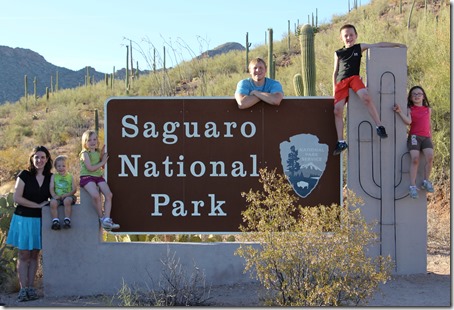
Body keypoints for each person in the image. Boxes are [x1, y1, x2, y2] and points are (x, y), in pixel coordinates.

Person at [332, 24, 406, 155]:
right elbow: (335, 71)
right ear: (341, 38)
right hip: (341, 82)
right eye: (346, 35)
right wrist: (334, 88)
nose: (349, 37)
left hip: (354, 78)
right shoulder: (338, 53)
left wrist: (397, 45)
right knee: (337, 111)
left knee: (365, 97)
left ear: (356, 36)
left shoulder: (359, 47)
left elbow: (378, 45)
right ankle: (341, 141)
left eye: (351, 35)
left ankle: (379, 126)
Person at [6, 146, 53, 302]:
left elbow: (55, 195)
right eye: (36, 157)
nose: (39, 160)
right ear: (32, 159)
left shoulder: (50, 177)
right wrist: (38, 206)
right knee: (24, 254)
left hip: (40, 220)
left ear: (47, 159)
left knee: (34, 254)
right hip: (24, 219)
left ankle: (32, 288)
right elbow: (17, 198)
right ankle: (23, 289)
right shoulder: (24, 175)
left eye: (42, 157)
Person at [393, 86, 434, 199]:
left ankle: (426, 181)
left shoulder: (428, 109)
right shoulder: (410, 109)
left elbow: (428, 124)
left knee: (430, 157)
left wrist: (431, 137)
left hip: (426, 137)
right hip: (414, 136)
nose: (417, 96)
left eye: (419, 94)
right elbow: (408, 121)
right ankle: (412, 186)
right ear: (410, 97)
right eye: (414, 94)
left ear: (423, 96)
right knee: (415, 159)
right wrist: (400, 112)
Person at [79, 130, 119, 231]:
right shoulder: (84, 153)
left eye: (94, 139)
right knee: (96, 195)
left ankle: (107, 218)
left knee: (109, 195)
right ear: (85, 142)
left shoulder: (97, 152)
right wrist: (103, 162)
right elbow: (90, 168)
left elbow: (102, 166)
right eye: (89, 140)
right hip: (87, 177)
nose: (92, 142)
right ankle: (102, 218)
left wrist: (103, 156)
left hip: (98, 177)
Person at [49, 155, 77, 230]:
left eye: (63, 166)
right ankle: (55, 220)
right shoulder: (54, 176)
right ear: (55, 167)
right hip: (57, 196)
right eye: (59, 166)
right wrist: (54, 195)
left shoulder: (70, 176)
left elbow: (74, 189)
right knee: (52, 203)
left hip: (69, 195)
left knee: (67, 201)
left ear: (67, 166)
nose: (61, 168)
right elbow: (51, 187)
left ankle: (67, 219)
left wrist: (67, 195)